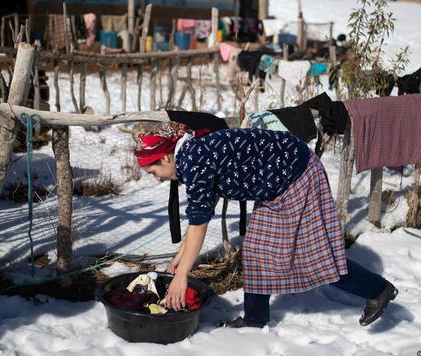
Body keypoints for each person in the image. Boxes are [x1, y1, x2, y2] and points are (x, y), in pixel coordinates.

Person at [133, 121, 397, 328]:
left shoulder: (194, 160)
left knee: (316, 256)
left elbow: (200, 221)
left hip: (297, 174)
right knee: (257, 249)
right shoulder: (191, 155)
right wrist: (182, 256)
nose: (156, 178)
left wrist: (181, 277)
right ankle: (255, 319)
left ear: (166, 158)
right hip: (275, 184)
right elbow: (200, 210)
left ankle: (378, 290)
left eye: (152, 171)